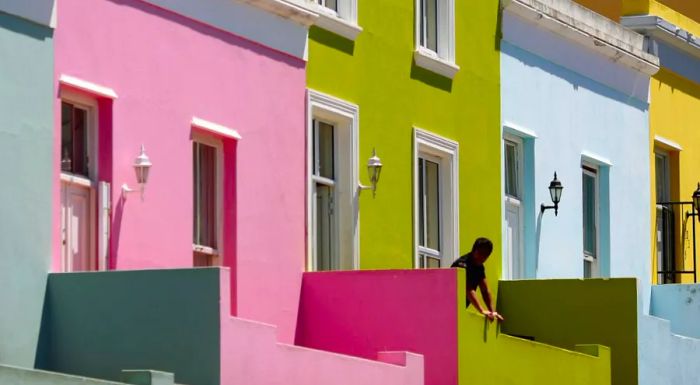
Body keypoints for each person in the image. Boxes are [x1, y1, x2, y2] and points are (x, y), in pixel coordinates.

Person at [451, 238, 504, 322]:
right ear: (474, 250)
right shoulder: (462, 264)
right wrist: (482, 310)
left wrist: (492, 312)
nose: (483, 258)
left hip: (460, 310)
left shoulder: (479, 267)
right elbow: (467, 289)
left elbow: (485, 290)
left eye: (486, 255)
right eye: (481, 253)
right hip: (448, 307)